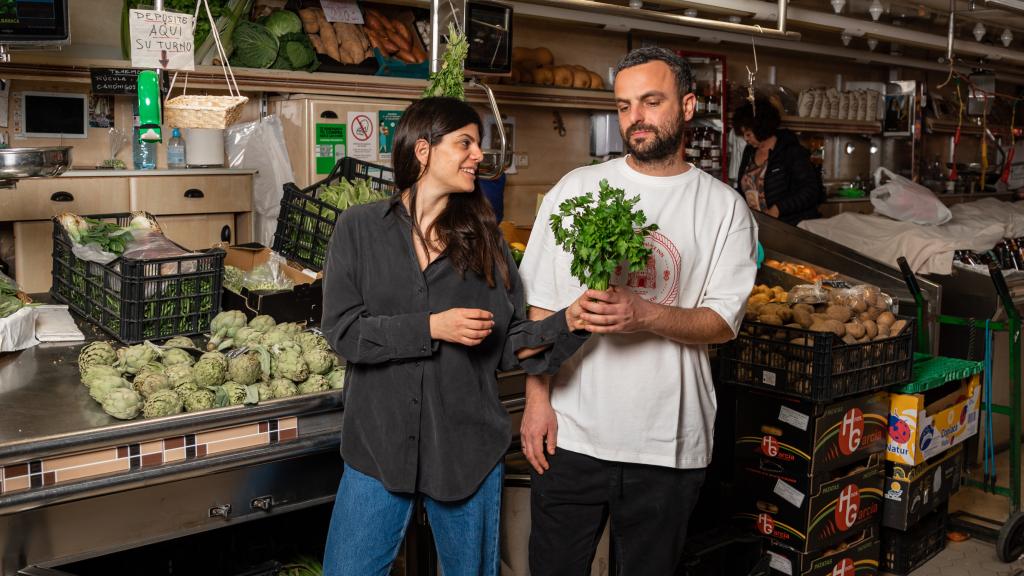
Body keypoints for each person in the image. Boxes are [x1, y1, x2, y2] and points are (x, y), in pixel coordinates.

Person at [319, 96, 593, 576]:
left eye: (478, 144)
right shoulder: (359, 229)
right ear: (423, 150)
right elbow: (343, 331)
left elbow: (509, 345)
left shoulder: (486, 241)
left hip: (466, 452)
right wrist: (432, 326)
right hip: (378, 448)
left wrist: (570, 321)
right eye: (465, 143)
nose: (478, 155)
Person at [518, 47, 758, 575]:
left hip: (667, 444)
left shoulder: (724, 209)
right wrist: (536, 403)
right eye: (624, 106)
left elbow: (722, 323)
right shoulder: (577, 190)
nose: (636, 118)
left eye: (651, 101)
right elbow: (540, 310)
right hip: (571, 434)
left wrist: (645, 314)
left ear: (688, 106)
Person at [732, 95, 824, 225]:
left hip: (790, 226)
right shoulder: (749, 152)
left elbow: (811, 191)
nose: (746, 139)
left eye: (748, 134)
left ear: (761, 127)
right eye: (743, 135)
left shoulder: (790, 151)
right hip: (760, 225)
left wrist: (778, 209)